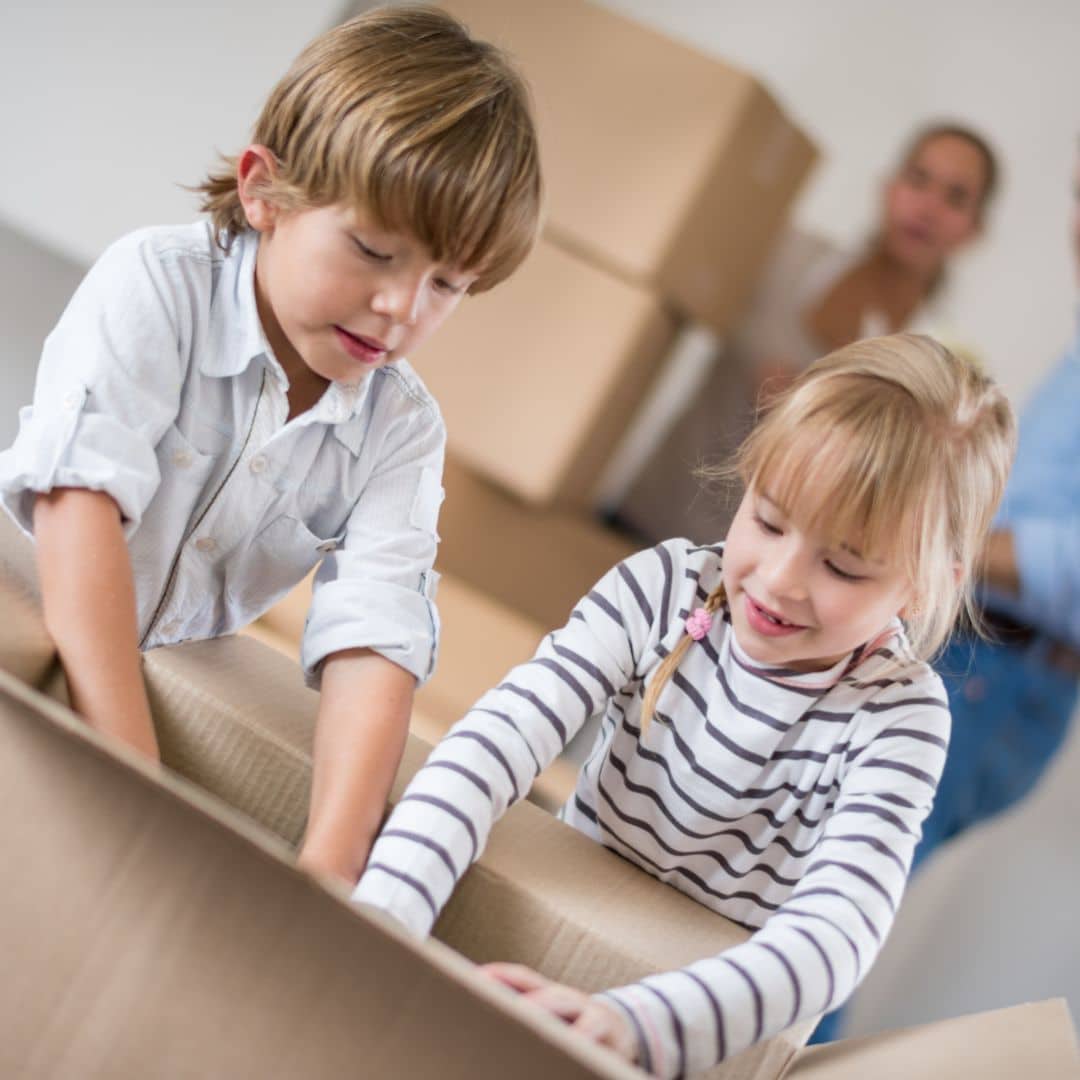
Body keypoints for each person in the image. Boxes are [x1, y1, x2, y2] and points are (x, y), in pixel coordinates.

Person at [353, 334, 1016, 1076]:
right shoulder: (661, 589)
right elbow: (491, 747)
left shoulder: (900, 715)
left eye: (842, 566)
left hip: (698, 1029)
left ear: (926, 585)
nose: (779, 580)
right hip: (543, 934)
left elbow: (836, 937)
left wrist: (638, 1024)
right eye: (767, 521)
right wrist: (387, 915)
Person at [0, 5, 542, 886]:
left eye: (447, 284)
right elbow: (80, 508)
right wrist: (135, 786)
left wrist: (326, 874)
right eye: (374, 250)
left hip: (159, 684)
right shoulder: (158, 285)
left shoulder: (399, 430)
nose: (405, 309)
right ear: (265, 191)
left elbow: (376, 644)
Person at [809, 142, 1080, 1048]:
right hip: (977, 656)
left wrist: (936, 527)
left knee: (830, 908)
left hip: (1000, 676)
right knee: (824, 889)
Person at [613, 122, 999, 547]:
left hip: (752, 584)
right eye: (918, 179)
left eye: (956, 197)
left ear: (975, 229)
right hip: (639, 519)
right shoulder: (782, 256)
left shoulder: (935, 373)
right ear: (887, 187)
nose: (928, 207)